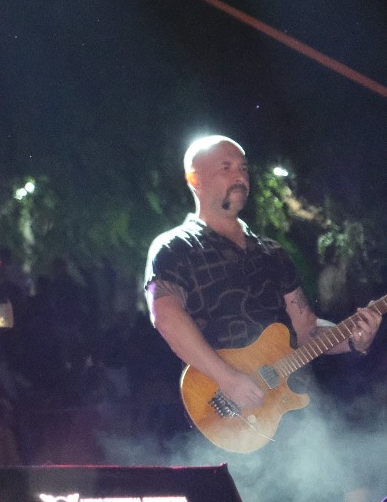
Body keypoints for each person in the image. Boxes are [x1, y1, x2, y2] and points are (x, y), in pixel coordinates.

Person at [144, 135, 382, 502]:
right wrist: (228, 379)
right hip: (231, 416)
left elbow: (305, 330)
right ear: (194, 179)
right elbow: (167, 318)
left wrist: (353, 339)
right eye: (226, 167)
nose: (240, 175)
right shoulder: (175, 247)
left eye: (243, 168)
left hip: (297, 416)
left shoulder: (273, 253)